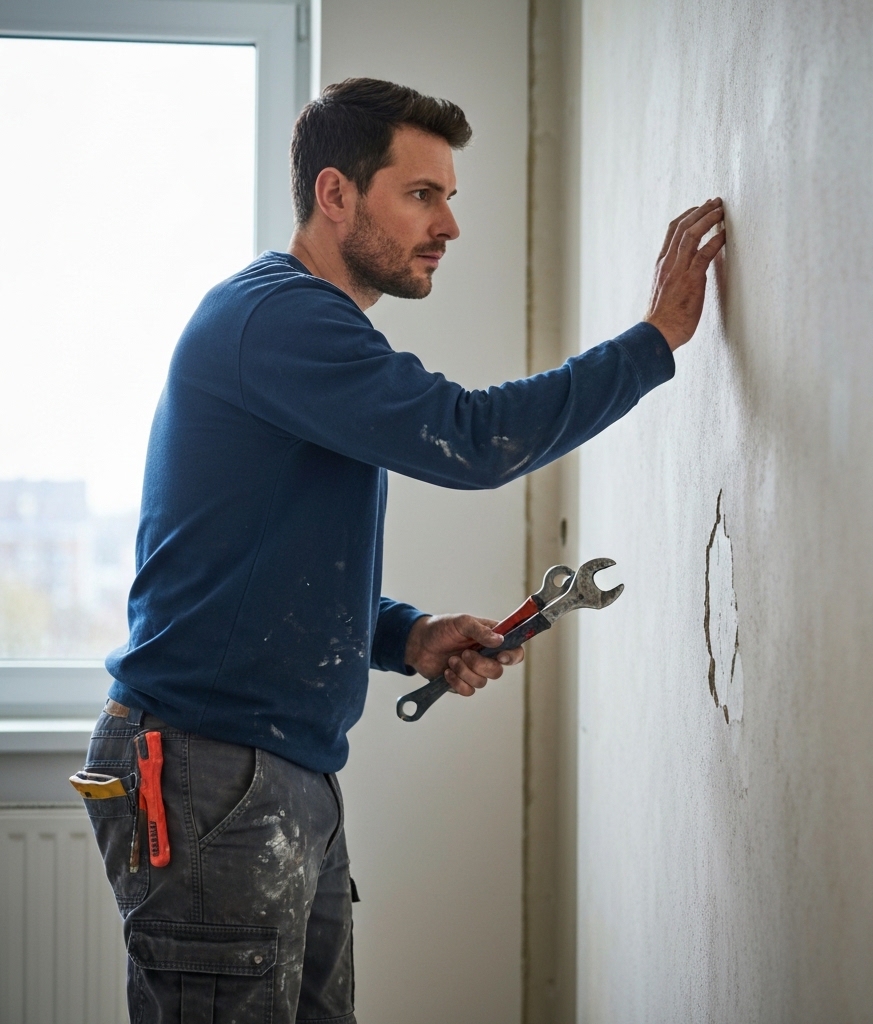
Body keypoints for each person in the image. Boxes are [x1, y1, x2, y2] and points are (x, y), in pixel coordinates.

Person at [78, 78, 725, 1023]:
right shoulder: (283, 320)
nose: (450, 225)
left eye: (450, 196)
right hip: (215, 769)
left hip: (270, 768)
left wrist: (409, 636)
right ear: (335, 194)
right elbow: (471, 438)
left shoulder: (307, 334)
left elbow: (254, 570)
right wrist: (655, 339)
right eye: (423, 194)